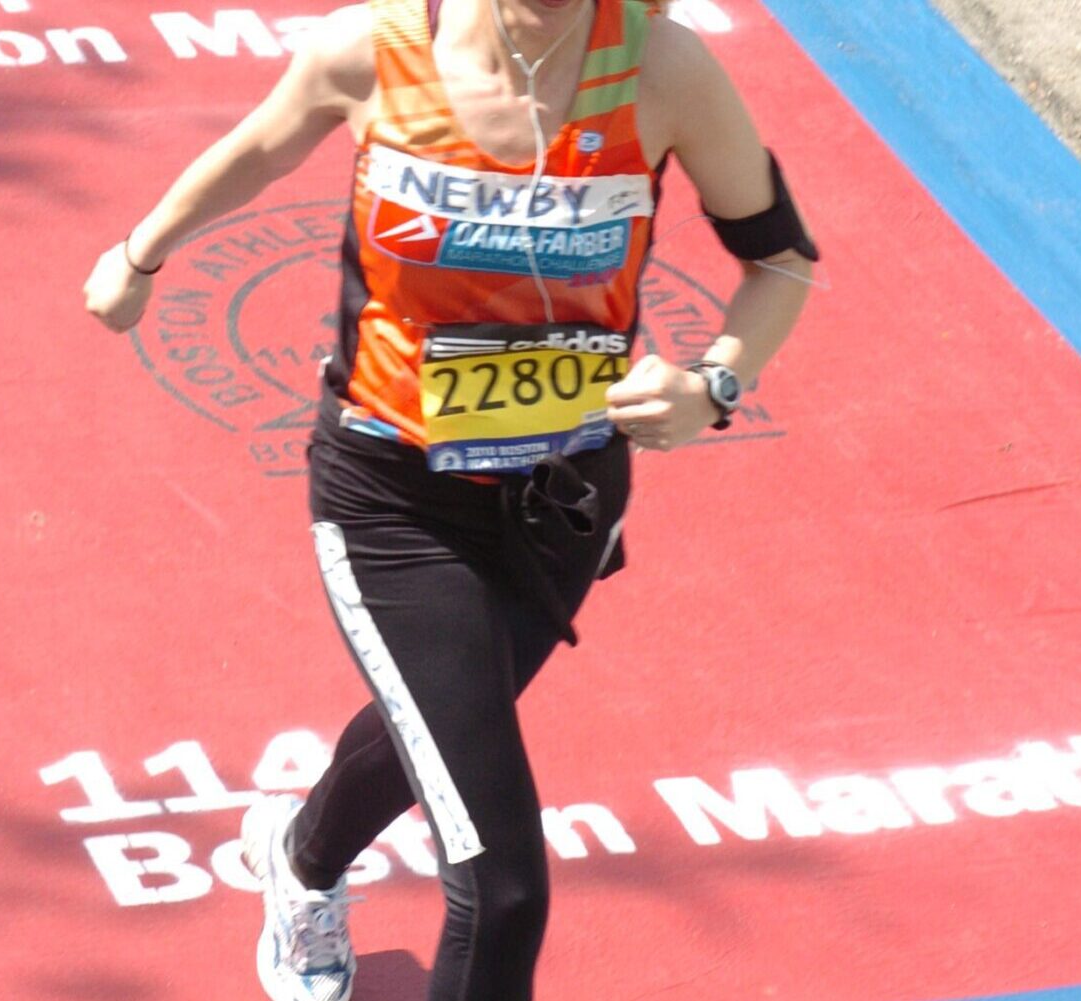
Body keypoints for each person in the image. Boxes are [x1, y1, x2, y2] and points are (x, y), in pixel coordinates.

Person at [83, 0, 817, 998]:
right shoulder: (371, 49)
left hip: (563, 496)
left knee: (428, 720)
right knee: (502, 887)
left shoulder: (661, 69)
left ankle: (297, 857)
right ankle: (302, 864)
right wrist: (140, 255)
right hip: (392, 500)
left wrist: (712, 384)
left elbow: (778, 257)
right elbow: (259, 146)